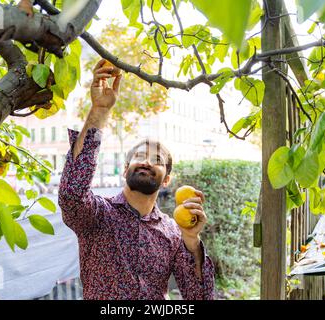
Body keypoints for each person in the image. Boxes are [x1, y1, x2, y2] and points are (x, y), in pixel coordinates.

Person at [58, 59, 215, 300]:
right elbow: (71, 193)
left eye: (157, 160)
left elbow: (200, 297)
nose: (147, 162)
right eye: (140, 156)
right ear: (124, 170)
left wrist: (192, 240)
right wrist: (100, 109)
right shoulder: (97, 215)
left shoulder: (173, 233)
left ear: (166, 180)